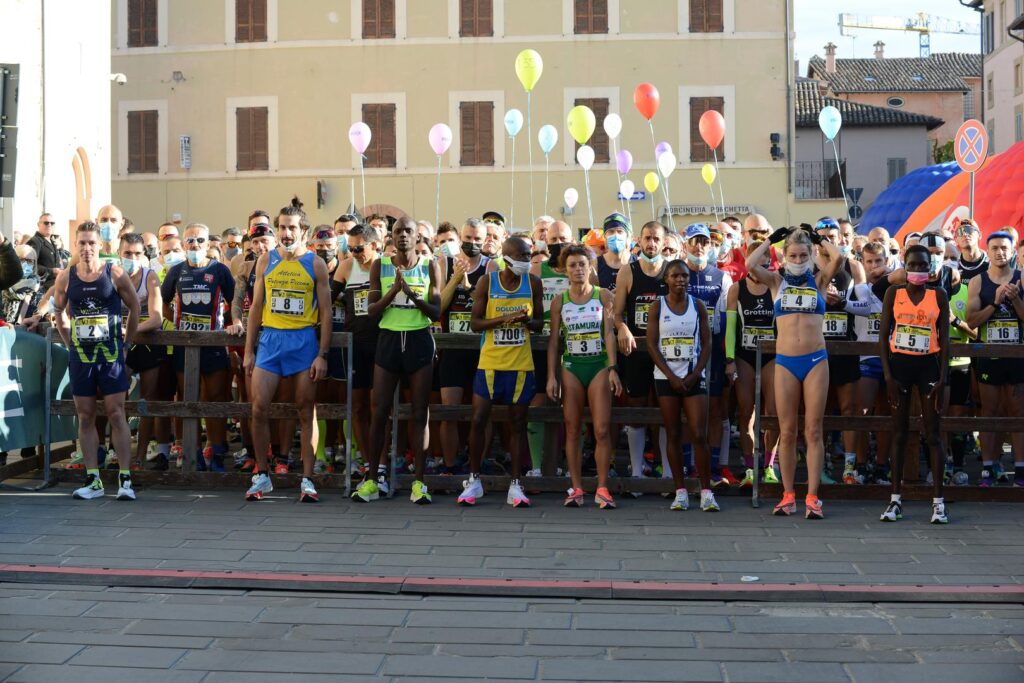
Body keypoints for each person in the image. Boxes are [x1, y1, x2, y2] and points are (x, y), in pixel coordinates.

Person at [746, 225, 844, 519]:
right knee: (786, 431)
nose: (799, 260)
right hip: (785, 362)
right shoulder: (776, 281)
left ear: (811, 255)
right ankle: (788, 495)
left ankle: (813, 496)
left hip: (816, 360)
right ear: (784, 255)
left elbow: (837, 258)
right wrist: (769, 242)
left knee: (813, 430)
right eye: (793, 255)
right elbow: (750, 264)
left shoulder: (819, 279)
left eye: (804, 255)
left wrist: (820, 240)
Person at [243, 199, 332, 502]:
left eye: (292, 227)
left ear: (303, 231)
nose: (286, 233)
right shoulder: (266, 260)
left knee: (306, 410)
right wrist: (249, 350)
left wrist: (323, 354)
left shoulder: (315, 263)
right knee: (258, 408)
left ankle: (307, 478)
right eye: (282, 227)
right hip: (270, 342)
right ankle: (262, 474)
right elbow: (256, 307)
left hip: (303, 342)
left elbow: (328, 312)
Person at [351, 217, 442, 504]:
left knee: (419, 412)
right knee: (379, 411)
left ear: (418, 237)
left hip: (418, 341)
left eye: (408, 231)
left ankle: (419, 483)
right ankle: (372, 479)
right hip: (389, 340)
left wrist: (413, 296)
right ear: (391, 237)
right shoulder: (381, 265)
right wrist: (394, 291)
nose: (403, 236)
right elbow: (372, 310)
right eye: (398, 231)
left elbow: (436, 311)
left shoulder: (430, 266)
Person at [52, 221, 140, 500]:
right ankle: (93, 480)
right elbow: (59, 312)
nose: (87, 248)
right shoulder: (66, 277)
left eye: (92, 243)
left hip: (111, 355)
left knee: (116, 414)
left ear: (100, 245)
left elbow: (135, 307)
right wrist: (70, 345)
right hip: (82, 357)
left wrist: (127, 344)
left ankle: (125, 480)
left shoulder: (113, 273)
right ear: (75, 246)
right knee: (86, 416)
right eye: (82, 243)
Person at [457, 236, 544, 507]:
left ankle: (516, 484)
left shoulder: (534, 283)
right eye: (522, 257)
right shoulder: (488, 282)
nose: (527, 262)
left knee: (517, 424)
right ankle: (474, 480)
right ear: (507, 259)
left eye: (529, 256)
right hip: (490, 363)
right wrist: (504, 319)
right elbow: (475, 324)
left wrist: (528, 321)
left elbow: (540, 324)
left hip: (520, 364)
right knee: (479, 420)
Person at [878, 244, 950, 523]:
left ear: (930, 268)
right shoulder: (893, 294)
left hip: (928, 366)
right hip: (899, 367)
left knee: (933, 433)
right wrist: (887, 376)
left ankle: (938, 502)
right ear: (904, 266)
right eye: (913, 265)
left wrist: (943, 377)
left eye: (923, 265)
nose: (918, 270)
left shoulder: (939, 295)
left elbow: (945, 339)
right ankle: (895, 500)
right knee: (899, 432)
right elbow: (884, 335)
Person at [546, 245, 622, 508]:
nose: (578, 269)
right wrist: (551, 377)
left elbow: (609, 333)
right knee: (572, 429)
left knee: (601, 429)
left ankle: (602, 488)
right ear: (565, 270)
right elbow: (554, 343)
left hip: (598, 365)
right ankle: (576, 487)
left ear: (591, 267)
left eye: (582, 264)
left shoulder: (604, 296)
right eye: (572, 265)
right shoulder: (560, 301)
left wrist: (613, 369)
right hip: (571, 367)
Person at [160, 222, 236, 471]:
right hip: (184, 345)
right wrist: (179, 324)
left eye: (200, 241)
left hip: (213, 344)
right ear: (183, 244)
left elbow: (234, 302)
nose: (195, 245)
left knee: (214, 398)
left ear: (208, 244)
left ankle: (216, 451)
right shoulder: (175, 271)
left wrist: (231, 324)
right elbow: (162, 304)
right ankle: (190, 452)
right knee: (187, 396)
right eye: (190, 241)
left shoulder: (220, 270)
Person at [646, 259, 718, 511]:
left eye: (685, 276)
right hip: (666, 377)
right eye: (675, 275)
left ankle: (706, 490)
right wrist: (671, 376)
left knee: (699, 433)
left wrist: (695, 374)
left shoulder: (698, 306)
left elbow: (707, 343)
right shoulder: (657, 306)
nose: (681, 280)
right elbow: (652, 344)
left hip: (693, 375)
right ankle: (680, 491)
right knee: (673, 433)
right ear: (666, 279)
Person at [966, 231, 1024, 488]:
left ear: (1012, 252)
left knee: (1018, 413)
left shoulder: (1022, 280)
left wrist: (1015, 299)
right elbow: (972, 321)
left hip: (1017, 357)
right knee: (990, 411)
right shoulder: (978, 282)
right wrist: (996, 302)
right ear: (986, 251)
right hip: (990, 356)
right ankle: (989, 467)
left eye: (1004, 248)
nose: (1000, 252)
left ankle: (1020, 470)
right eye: (995, 248)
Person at [438, 218, 495, 474]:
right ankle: (450, 466)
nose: (472, 243)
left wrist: (471, 287)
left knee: (482, 412)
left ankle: (477, 465)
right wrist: (456, 278)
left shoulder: (491, 266)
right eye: (468, 238)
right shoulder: (445, 263)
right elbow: (437, 307)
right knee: (450, 410)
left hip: (482, 349)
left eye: (477, 240)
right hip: (451, 347)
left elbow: (490, 308)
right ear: (460, 238)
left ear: (485, 241)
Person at [614, 221, 667, 487]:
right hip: (635, 351)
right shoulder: (628, 271)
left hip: (666, 352)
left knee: (665, 408)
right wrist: (622, 326)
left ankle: (667, 471)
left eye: (656, 239)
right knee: (636, 408)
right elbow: (616, 312)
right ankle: (636, 471)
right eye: (647, 238)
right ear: (639, 240)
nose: (651, 243)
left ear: (664, 241)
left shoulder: (672, 270)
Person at [683, 223, 734, 488]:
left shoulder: (722, 277)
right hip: (682, 351)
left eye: (704, 242)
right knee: (686, 409)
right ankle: (687, 465)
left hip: (713, 349)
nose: (699, 246)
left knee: (715, 408)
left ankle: (713, 467)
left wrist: (729, 358)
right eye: (694, 241)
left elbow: (727, 320)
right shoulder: (676, 273)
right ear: (685, 245)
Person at [725, 240, 778, 488]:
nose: (762, 262)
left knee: (773, 413)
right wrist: (729, 360)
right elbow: (731, 328)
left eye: (766, 257)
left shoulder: (776, 284)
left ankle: (768, 465)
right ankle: (749, 467)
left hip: (772, 355)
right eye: (757, 257)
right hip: (745, 355)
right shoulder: (737, 289)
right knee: (746, 413)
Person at [225, 215, 276, 471]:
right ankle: (254, 453)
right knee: (250, 399)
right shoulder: (246, 267)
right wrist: (236, 320)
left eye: (264, 241)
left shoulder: (283, 264)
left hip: (278, 335)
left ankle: (280, 453)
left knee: (277, 400)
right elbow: (236, 300)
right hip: (252, 337)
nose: (260, 246)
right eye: (256, 242)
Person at [528, 220, 572, 477]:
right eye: (553, 240)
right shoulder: (537, 269)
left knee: (569, 405)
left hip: (571, 347)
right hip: (540, 346)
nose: (557, 244)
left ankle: (563, 465)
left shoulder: (579, 268)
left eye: (562, 238)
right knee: (537, 403)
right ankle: (536, 465)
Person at [118, 233, 165, 469]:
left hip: (147, 343)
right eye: (127, 253)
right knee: (118, 400)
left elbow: (157, 318)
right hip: (123, 345)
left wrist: (128, 329)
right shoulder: (112, 275)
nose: (132, 258)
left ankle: (140, 455)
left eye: (137, 253)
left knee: (147, 401)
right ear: (119, 253)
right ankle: (120, 452)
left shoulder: (150, 276)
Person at [596, 213, 635, 291]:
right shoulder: (595, 264)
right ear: (605, 237)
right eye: (611, 231)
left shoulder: (638, 262)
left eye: (620, 231)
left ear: (628, 236)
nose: (615, 235)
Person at [27, 213, 61, 291]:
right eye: (46, 223)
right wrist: (51, 271)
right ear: (38, 224)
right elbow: (29, 265)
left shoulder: (52, 242)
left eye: (52, 223)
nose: (49, 225)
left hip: (56, 286)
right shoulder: (35, 241)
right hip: (42, 288)